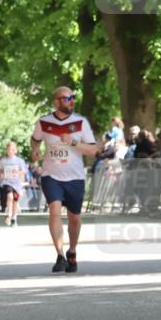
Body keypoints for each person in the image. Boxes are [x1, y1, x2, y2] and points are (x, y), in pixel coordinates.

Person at [30, 86, 98, 273]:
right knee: (54, 209)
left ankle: (72, 251)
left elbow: (93, 150)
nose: (72, 101)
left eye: (73, 98)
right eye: (67, 98)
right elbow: (35, 139)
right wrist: (35, 150)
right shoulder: (44, 122)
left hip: (75, 177)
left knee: (74, 218)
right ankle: (59, 255)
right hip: (51, 175)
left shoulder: (81, 122)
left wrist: (74, 142)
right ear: (57, 102)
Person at [0, 141, 28, 226]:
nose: (11, 151)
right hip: (7, 182)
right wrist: (1, 174)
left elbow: (24, 171)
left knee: (15, 200)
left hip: (17, 184)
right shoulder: (3, 161)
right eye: (9, 149)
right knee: (9, 196)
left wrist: (17, 173)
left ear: (16, 150)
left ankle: (14, 218)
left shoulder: (19, 161)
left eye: (12, 149)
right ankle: (9, 214)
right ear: (7, 150)